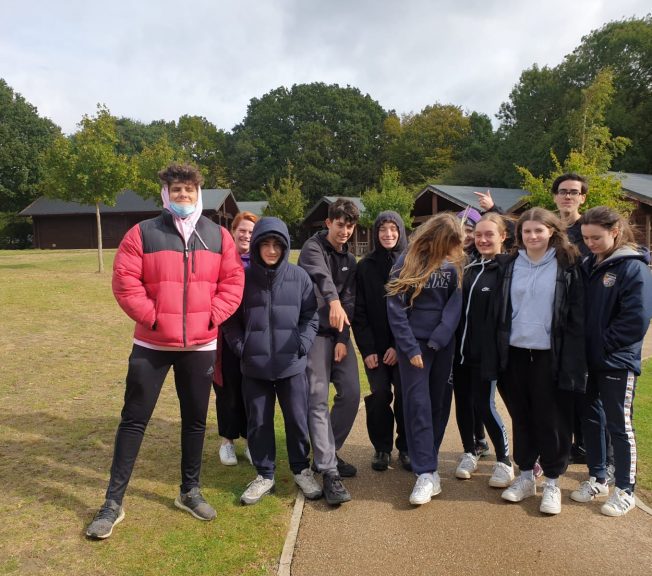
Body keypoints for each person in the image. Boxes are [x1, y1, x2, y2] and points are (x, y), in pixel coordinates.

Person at [86, 163, 244, 539]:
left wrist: (211, 318)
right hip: (152, 343)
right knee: (133, 420)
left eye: (189, 190)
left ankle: (189, 491)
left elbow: (233, 284)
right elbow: (126, 284)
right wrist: (154, 318)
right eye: (176, 190)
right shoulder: (142, 233)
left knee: (194, 421)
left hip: (200, 345)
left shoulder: (218, 236)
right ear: (165, 194)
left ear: (198, 194)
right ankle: (113, 502)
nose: (183, 196)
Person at [223, 217, 322, 505]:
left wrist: (302, 345)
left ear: (284, 246)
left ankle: (301, 470)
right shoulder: (242, 279)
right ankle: (264, 474)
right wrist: (243, 347)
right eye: (265, 244)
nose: (271, 250)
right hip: (254, 368)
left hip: (291, 366)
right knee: (259, 423)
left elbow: (310, 316)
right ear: (255, 246)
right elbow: (230, 321)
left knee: (296, 421)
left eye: (276, 244)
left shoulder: (300, 277)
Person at [497, 208, 586, 515]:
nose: (532, 236)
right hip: (516, 353)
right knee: (521, 416)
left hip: (551, 354)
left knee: (552, 420)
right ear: (519, 235)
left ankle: (552, 482)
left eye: (539, 231)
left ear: (552, 232)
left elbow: (576, 316)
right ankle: (524, 477)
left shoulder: (568, 265)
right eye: (527, 232)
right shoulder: (509, 265)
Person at [570, 206, 652, 516]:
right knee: (592, 420)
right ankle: (597, 478)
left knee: (620, 424)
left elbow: (635, 319)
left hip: (616, 361)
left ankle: (626, 489)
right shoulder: (590, 264)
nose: (589, 243)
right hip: (588, 361)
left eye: (596, 237)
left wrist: (602, 348)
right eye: (586, 237)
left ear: (615, 231)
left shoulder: (633, 268)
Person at [386, 213, 464, 505]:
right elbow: (395, 309)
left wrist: (438, 340)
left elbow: (454, 307)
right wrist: (411, 348)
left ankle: (430, 467)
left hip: (442, 346)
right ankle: (425, 472)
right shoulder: (405, 261)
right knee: (417, 405)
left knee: (439, 403)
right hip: (413, 349)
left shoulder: (455, 264)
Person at [298, 198, 360, 505]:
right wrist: (332, 302)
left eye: (350, 226)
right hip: (313, 334)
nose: (345, 231)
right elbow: (322, 278)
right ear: (328, 223)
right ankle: (329, 472)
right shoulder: (313, 248)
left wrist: (342, 338)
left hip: (337, 337)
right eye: (340, 224)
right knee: (317, 398)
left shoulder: (351, 260)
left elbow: (349, 302)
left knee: (350, 394)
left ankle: (327, 451)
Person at [453, 213, 514, 487]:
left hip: (487, 353)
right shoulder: (468, 266)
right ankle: (470, 451)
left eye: (490, 234)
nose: (483, 239)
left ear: (503, 236)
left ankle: (504, 461)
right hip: (460, 352)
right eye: (478, 235)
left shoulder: (509, 268)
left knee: (484, 405)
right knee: (464, 405)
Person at [353, 211, 410, 472]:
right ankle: (382, 448)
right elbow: (359, 311)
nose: (388, 234)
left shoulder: (412, 263)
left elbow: (415, 308)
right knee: (379, 395)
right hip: (374, 348)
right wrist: (367, 350)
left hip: (403, 346)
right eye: (383, 229)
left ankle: (407, 448)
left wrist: (400, 347)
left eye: (393, 229)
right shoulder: (365, 266)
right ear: (376, 233)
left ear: (400, 231)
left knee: (405, 395)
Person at [214, 211, 257, 467]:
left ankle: (252, 441)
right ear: (233, 231)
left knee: (252, 390)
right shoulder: (222, 259)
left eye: (252, 232)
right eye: (242, 230)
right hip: (225, 334)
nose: (246, 235)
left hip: (254, 334)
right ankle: (228, 441)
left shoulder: (262, 261)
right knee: (228, 389)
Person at [456, 207, 490, 457]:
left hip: (480, 339)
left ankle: (482, 435)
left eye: (471, 230)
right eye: (463, 230)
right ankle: (472, 442)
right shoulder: (449, 258)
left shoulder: (487, 259)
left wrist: (492, 210)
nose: (467, 235)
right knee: (463, 396)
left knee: (482, 396)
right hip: (455, 337)